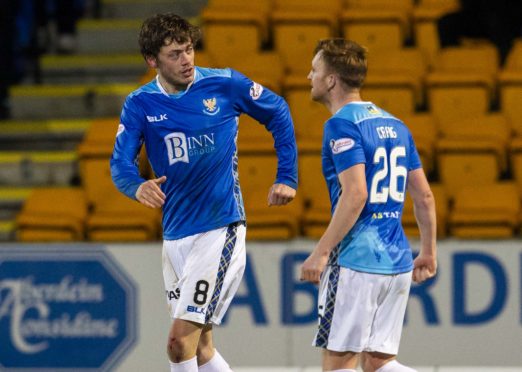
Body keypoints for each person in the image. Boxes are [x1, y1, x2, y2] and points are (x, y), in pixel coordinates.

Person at [110, 13, 298, 372]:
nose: (187, 60)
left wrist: (286, 175)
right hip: (175, 235)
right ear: (152, 61)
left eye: (190, 50)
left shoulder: (224, 84)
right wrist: (136, 186)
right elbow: (120, 163)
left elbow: (278, 111)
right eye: (175, 54)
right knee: (202, 347)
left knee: (179, 344)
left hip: (220, 227)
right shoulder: (140, 104)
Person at [300, 38, 437, 372]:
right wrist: (429, 250)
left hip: (356, 262)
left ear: (331, 80)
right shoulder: (397, 125)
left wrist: (320, 251)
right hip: (397, 262)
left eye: (315, 70)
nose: (308, 76)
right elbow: (424, 196)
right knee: (378, 363)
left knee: (339, 364)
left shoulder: (341, 125)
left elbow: (356, 193)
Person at [437, 0, 522, 66]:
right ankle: (453, 63)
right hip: (480, 14)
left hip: (510, 17)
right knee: (447, 23)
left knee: (497, 22)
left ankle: (503, 66)